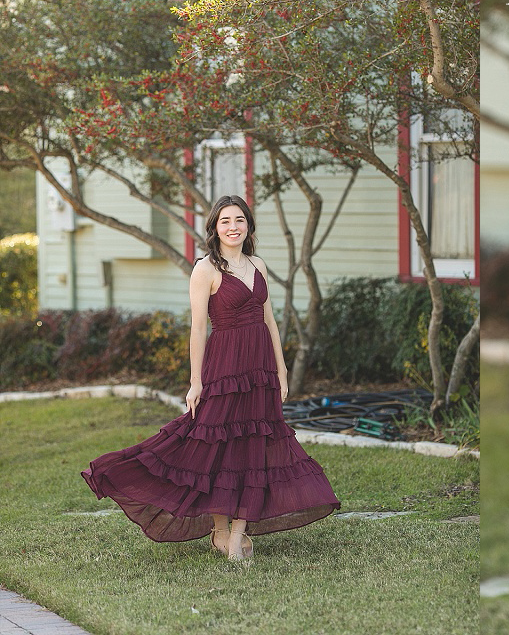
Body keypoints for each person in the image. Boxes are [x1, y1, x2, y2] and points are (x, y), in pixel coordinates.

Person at [82, 195, 340, 558]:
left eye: (239, 220)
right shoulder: (205, 270)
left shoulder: (258, 265)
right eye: (225, 221)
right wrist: (195, 381)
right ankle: (219, 531)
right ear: (214, 228)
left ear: (248, 225)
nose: (233, 226)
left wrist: (280, 369)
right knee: (216, 446)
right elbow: (198, 329)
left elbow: (269, 320)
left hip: (260, 367)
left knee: (254, 446)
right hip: (225, 367)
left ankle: (236, 533)